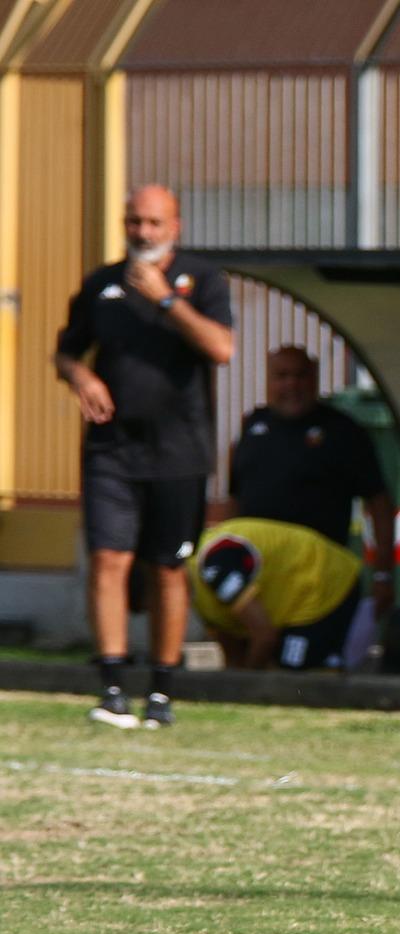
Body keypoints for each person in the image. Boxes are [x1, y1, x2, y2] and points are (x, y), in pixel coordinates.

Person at [54, 184, 235, 730]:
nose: (143, 232)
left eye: (154, 223)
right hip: (112, 449)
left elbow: (221, 348)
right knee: (108, 559)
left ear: (175, 226)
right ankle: (112, 689)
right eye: (134, 221)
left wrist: (165, 300)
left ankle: (161, 691)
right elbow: (65, 352)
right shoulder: (101, 284)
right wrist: (81, 377)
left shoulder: (203, 280)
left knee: (167, 568)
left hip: (179, 451)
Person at [228, 346, 397, 620]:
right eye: (282, 376)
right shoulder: (253, 425)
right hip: (259, 576)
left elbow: (379, 503)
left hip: (318, 580)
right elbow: (234, 498)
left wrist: (383, 573)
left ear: (315, 379)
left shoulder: (342, 430)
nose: (292, 384)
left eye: (301, 376)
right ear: (268, 380)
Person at [186, 517, 362, 671]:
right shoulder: (197, 584)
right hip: (290, 594)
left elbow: (264, 636)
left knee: (291, 678)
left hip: (325, 580)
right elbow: (231, 648)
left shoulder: (214, 566)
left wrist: (245, 685)